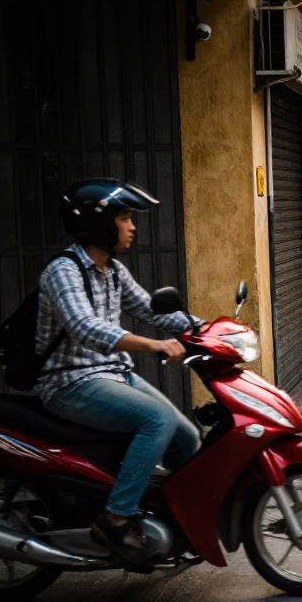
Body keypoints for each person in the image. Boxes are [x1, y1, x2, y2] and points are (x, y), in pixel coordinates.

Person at [36, 178, 201, 566]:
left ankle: (173, 515)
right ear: (97, 224)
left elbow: (151, 310)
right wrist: (154, 345)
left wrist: (208, 330)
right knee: (156, 419)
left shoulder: (112, 270)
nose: (133, 226)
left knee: (187, 437)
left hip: (111, 374)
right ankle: (116, 519)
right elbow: (85, 327)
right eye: (125, 218)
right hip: (69, 382)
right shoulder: (65, 270)